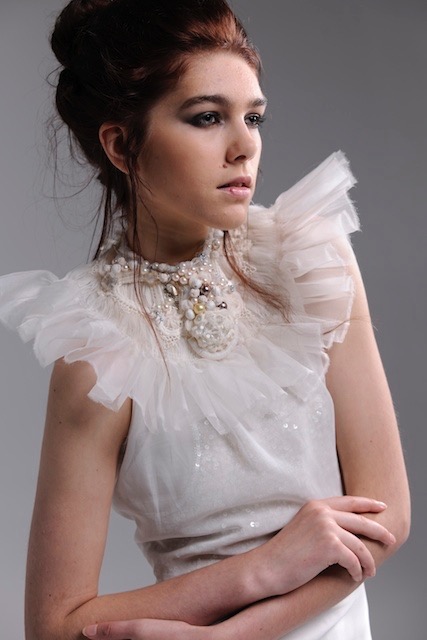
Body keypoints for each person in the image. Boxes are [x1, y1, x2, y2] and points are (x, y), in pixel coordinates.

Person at [0, 1, 410, 639]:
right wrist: (260, 569)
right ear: (121, 145)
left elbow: (387, 517)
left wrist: (232, 636)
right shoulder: (94, 343)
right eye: (207, 118)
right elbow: (54, 626)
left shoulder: (311, 262)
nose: (245, 146)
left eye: (254, 117)